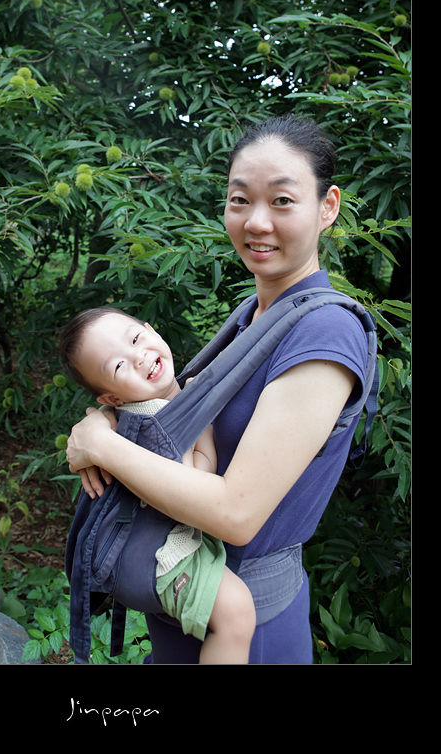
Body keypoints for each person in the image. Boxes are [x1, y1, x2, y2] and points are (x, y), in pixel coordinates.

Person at [65, 114, 373, 664]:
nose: (256, 221)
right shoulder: (254, 315)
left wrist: (103, 446)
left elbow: (237, 514)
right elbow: (174, 411)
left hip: (250, 630)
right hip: (187, 611)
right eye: (240, 200)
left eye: (282, 200)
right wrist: (106, 420)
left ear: (327, 207)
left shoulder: (324, 332)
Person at [60, 305, 257, 664]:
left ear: (152, 329)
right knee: (237, 613)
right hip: (163, 557)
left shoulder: (137, 412)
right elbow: (197, 483)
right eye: (118, 366)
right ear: (112, 399)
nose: (138, 357)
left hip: (146, 550)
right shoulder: (154, 421)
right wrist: (204, 416)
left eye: (136, 339)